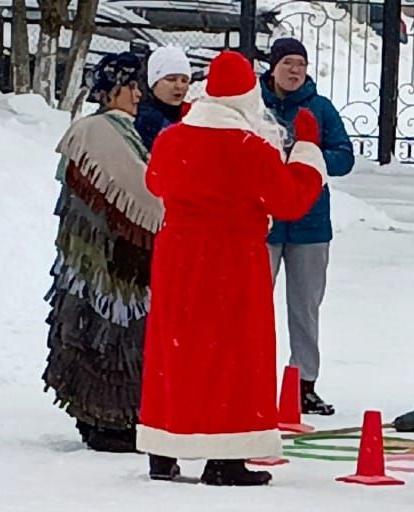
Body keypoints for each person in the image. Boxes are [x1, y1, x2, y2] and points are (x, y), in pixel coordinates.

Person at [137, 51, 326, 486]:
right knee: (233, 354)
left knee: (175, 349)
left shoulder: (172, 140)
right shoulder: (251, 149)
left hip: (178, 257)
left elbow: (155, 182)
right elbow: (290, 200)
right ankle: (226, 454)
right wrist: (306, 151)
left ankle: (164, 447)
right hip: (232, 261)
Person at [43, 52, 162, 452]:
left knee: (100, 332)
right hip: (106, 259)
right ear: (110, 91)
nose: (136, 94)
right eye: (130, 87)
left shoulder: (114, 129)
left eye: (137, 87)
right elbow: (135, 191)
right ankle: (107, 421)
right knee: (110, 334)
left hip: (103, 258)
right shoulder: (98, 132)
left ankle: (101, 417)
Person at [260, 36, 355, 416]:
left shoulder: (320, 108)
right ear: (273, 67)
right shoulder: (256, 106)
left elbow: (344, 157)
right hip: (263, 223)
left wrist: (308, 152)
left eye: (300, 63)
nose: (295, 70)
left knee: (305, 307)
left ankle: (303, 383)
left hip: (310, 224)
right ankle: (254, 378)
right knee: (253, 305)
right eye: (287, 63)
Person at [136, 44, 191, 151]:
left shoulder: (192, 116)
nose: (179, 86)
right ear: (154, 82)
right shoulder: (143, 120)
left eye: (184, 80)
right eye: (171, 79)